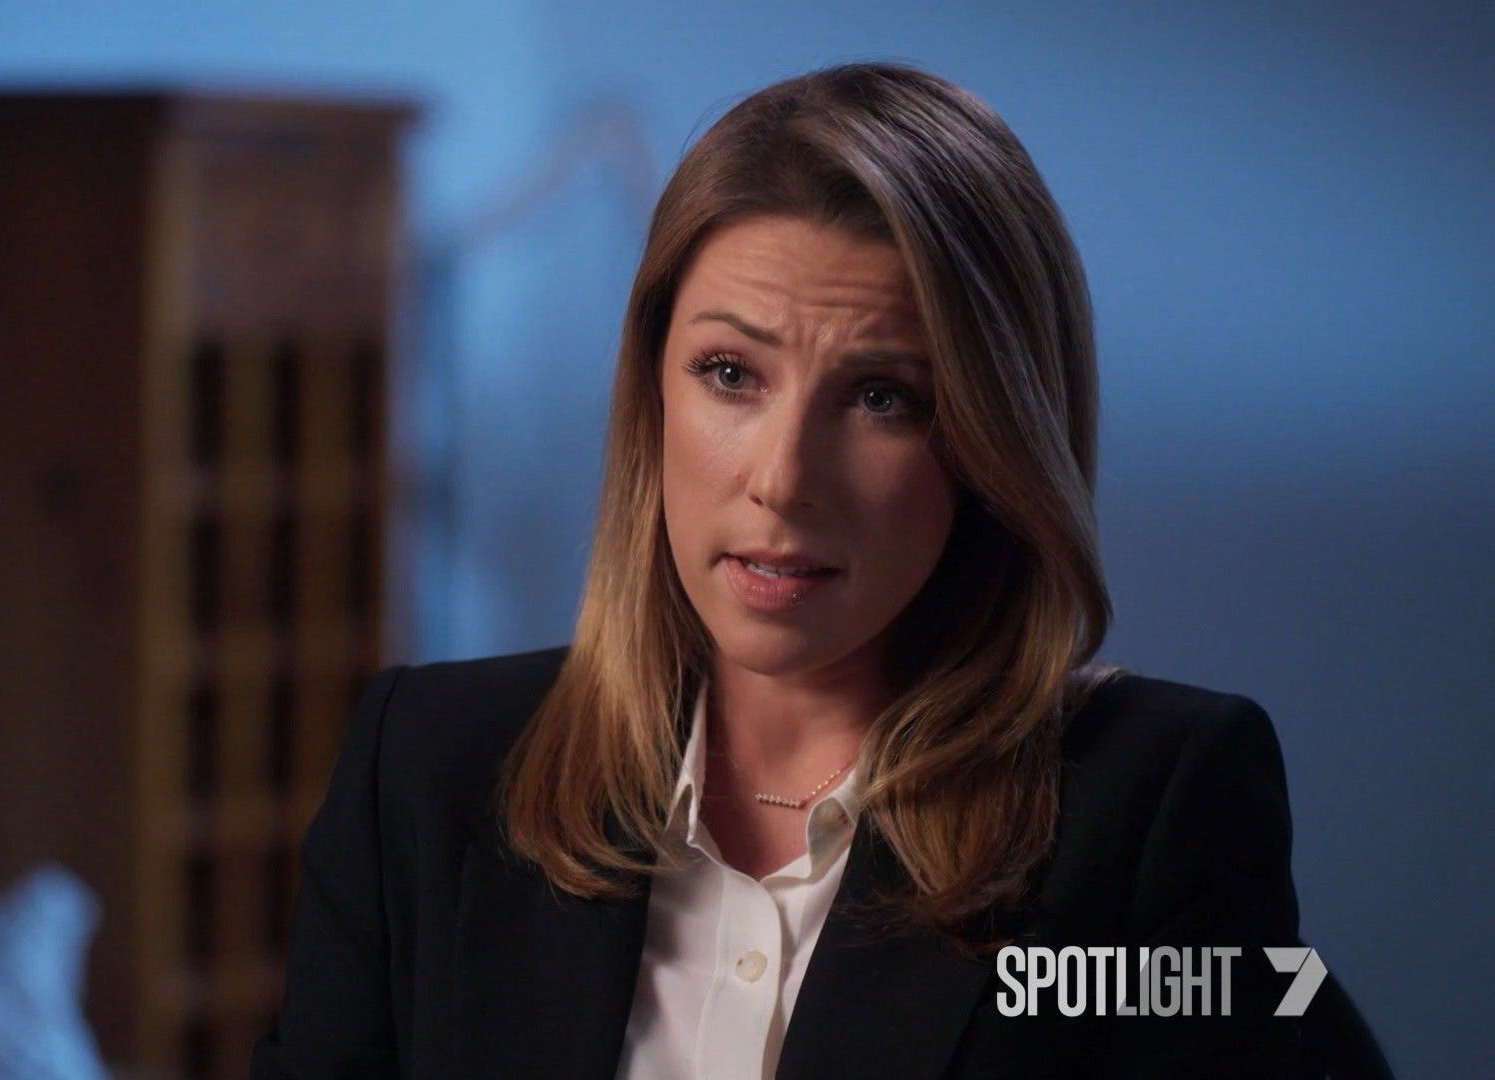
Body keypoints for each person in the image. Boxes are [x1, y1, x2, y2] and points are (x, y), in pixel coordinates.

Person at [251, 61, 1326, 1079]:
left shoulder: (1154, 806)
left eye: (882, 398)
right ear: (652, 394)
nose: (782, 480)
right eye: (730, 373)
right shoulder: (426, 768)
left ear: (995, 443)